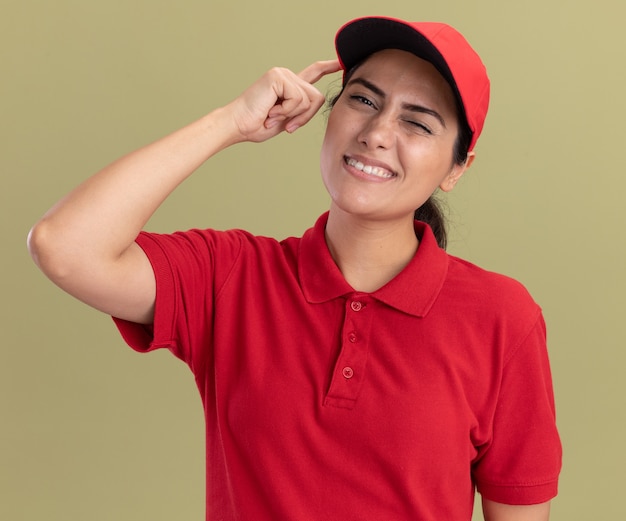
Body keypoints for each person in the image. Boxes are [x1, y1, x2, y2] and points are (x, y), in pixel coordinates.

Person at [28, 15, 562, 521]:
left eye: (417, 123)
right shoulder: (231, 276)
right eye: (362, 100)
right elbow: (63, 246)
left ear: (457, 168)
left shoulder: (503, 318)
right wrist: (230, 122)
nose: (376, 132)